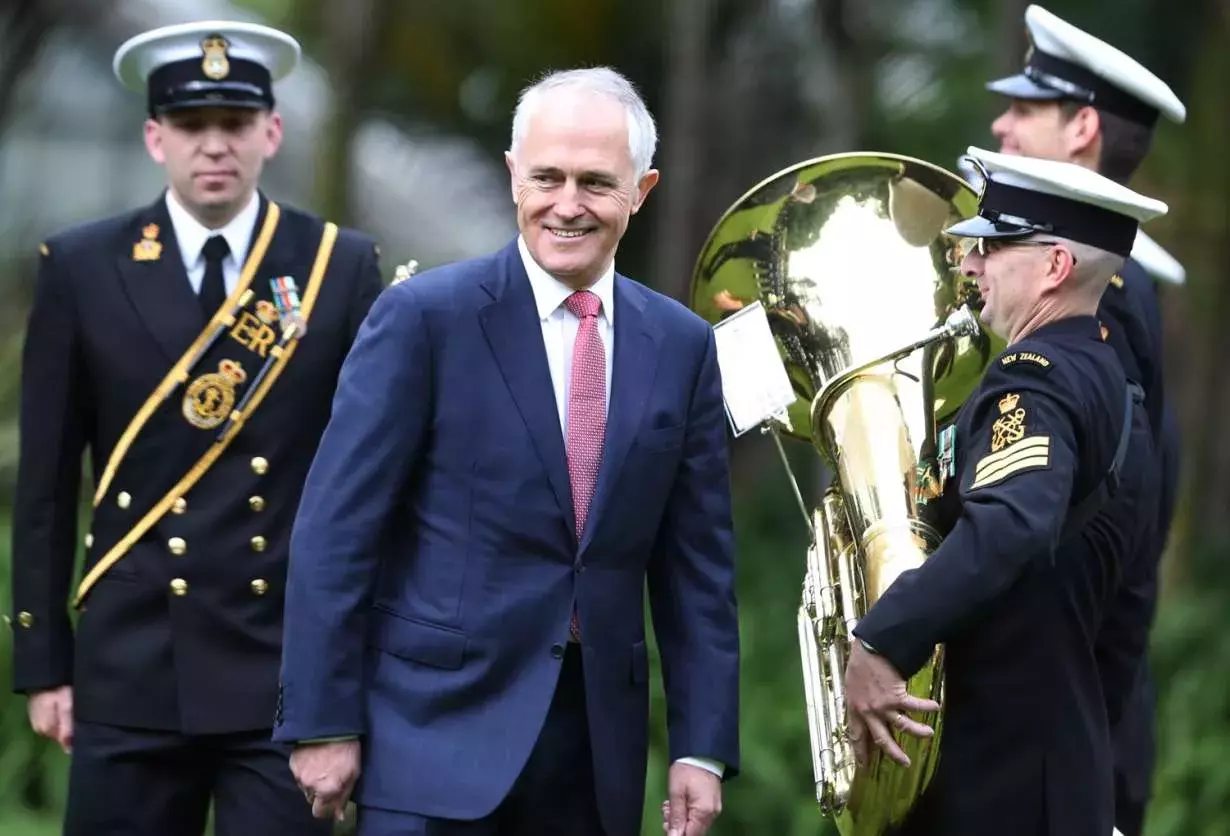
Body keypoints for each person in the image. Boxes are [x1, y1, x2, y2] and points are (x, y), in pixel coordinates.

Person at [272, 67, 741, 836]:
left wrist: (702, 747)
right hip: (427, 745)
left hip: (594, 757)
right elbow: (336, 532)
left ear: (643, 190)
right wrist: (322, 720)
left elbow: (698, 570)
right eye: (546, 177)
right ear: (512, 175)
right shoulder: (423, 319)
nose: (567, 204)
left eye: (596, 182)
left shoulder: (683, 347)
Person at [6, 20, 384, 836]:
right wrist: (43, 665)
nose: (214, 145)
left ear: (271, 132)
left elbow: (367, 484)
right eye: (190, 125)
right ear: (155, 137)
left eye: (236, 123)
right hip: (131, 666)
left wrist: (349, 683)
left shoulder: (335, 265)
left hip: (284, 675)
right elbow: (45, 482)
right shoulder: (82, 266)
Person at [842, 146, 1165, 835]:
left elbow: (1013, 524)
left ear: (1054, 266)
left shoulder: (1035, 378)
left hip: (993, 790)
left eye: (992, 246)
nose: (968, 263)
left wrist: (881, 639)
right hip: (1056, 781)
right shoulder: (1116, 387)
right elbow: (1130, 607)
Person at [983, 7, 1186, 832]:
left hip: (1063, 746)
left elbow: (1121, 533)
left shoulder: (1109, 294)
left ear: (1083, 128)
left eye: (1025, 109)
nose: (1002, 123)